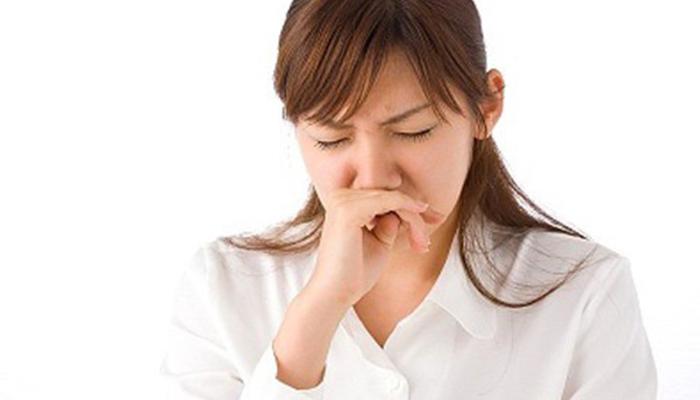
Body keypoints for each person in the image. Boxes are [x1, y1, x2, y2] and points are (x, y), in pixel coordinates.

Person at [160, 0, 658, 398]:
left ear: (487, 107)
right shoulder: (223, 288)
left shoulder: (584, 295)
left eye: (413, 131)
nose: (374, 177)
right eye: (332, 139)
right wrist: (315, 315)